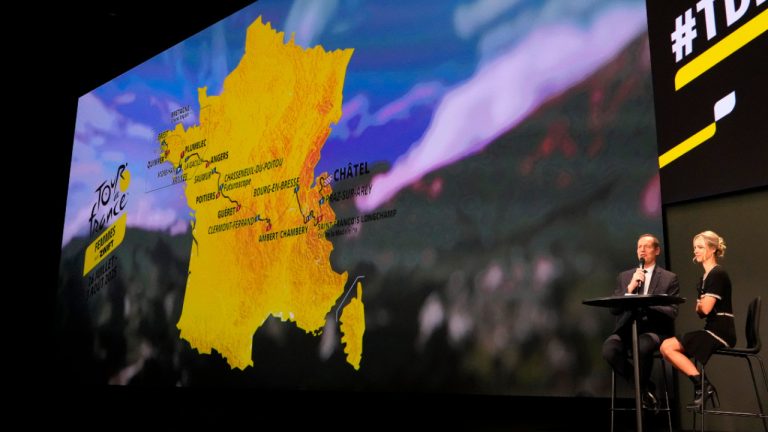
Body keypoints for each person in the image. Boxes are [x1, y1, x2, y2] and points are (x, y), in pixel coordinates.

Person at [602, 234, 680, 411]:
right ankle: (645, 389)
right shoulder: (625, 276)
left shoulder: (669, 278)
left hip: (654, 330)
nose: (642, 250)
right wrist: (629, 290)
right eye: (639, 247)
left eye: (647, 246)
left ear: (657, 250)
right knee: (609, 350)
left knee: (643, 345)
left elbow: (672, 311)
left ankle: (642, 391)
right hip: (627, 328)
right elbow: (613, 309)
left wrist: (648, 302)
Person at [660, 230, 736, 410]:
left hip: (720, 332)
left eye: (700, 247)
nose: (696, 251)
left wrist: (701, 306)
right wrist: (701, 306)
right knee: (666, 347)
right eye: (695, 247)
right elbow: (701, 312)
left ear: (712, 249)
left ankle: (703, 386)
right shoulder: (704, 277)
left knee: (667, 346)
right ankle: (703, 386)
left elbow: (705, 308)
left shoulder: (717, 274)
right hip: (712, 328)